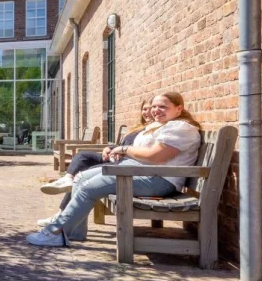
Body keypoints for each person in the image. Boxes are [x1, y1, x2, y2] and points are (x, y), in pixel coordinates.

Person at [27, 92, 202, 247]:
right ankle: (73, 233)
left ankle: (56, 232)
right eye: (154, 106)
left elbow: (155, 157)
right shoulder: (160, 126)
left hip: (160, 181)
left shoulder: (180, 128)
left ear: (179, 109)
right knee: (80, 177)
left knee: (90, 187)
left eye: (163, 106)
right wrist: (118, 152)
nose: (156, 110)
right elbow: (143, 155)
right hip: (140, 171)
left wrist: (125, 150)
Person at [37, 98, 155, 224]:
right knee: (83, 156)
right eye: (144, 109)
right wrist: (108, 148)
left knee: (82, 176)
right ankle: (67, 178)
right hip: (115, 158)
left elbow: (141, 151)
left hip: (123, 164)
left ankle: (62, 216)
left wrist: (122, 152)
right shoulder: (139, 128)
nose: (147, 112)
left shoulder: (155, 130)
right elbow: (122, 145)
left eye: (150, 109)